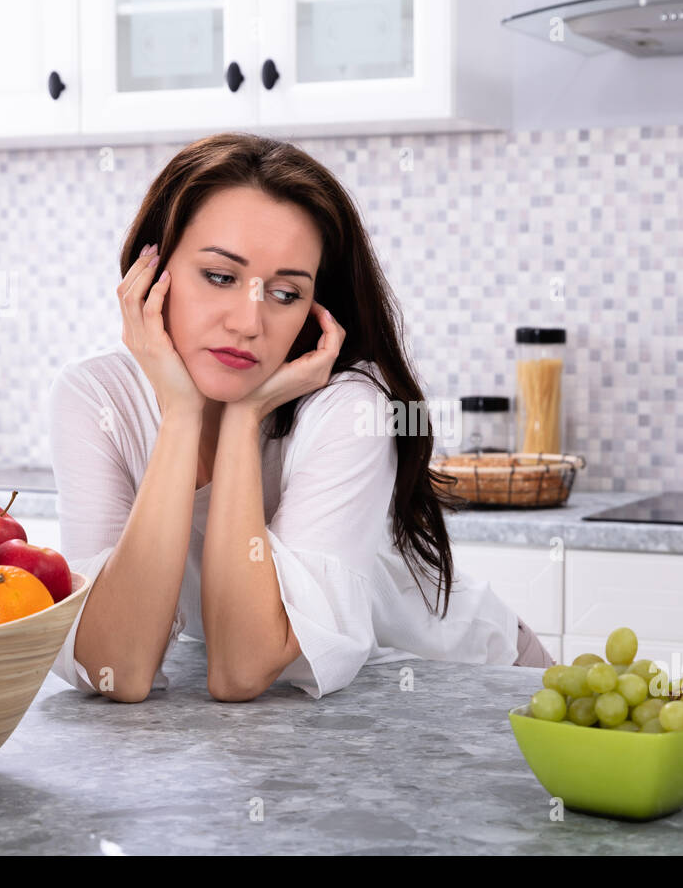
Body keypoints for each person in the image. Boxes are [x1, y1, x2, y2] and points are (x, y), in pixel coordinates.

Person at [47, 132, 555, 703]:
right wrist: (183, 417)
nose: (248, 322)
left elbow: (241, 670)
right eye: (220, 277)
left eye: (286, 293)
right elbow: (117, 666)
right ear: (151, 270)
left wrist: (242, 420)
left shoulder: (349, 409)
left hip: (478, 684)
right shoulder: (97, 399)